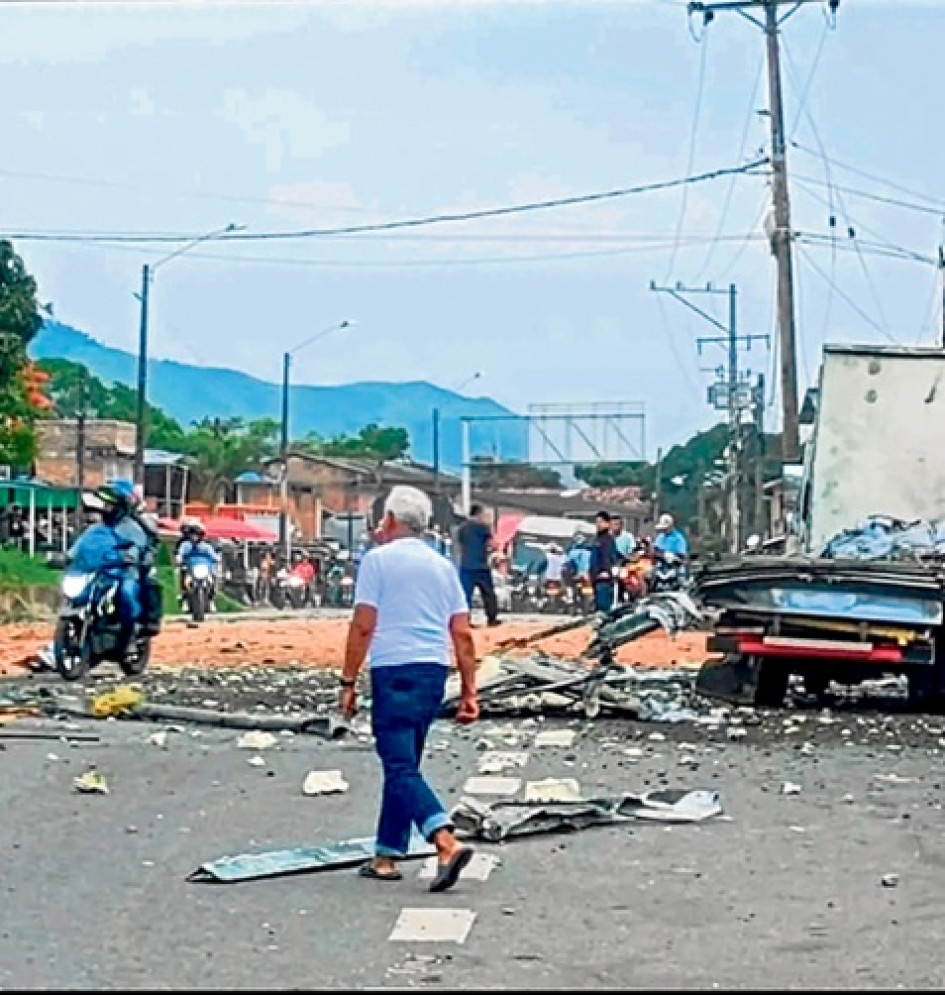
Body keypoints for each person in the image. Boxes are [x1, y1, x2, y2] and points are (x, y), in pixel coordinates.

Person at [340, 485, 479, 892]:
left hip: (393, 670)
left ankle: (444, 839)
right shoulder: (442, 567)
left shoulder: (377, 561)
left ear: (389, 521)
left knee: (398, 765)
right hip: (432, 673)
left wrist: (347, 680)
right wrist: (470, 690)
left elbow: (363, 624)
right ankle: (387, 853)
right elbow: (463, 634)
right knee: (404, 764)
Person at [456, 504, 500, 627]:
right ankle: (492, 619)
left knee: (465, 595)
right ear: (479, 514)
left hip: (465, 566)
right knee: (488, 594)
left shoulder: (462, 528)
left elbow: (460, 543)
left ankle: (465, 621)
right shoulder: (483, 527)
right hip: (481, 566)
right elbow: (492, 544)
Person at [176, 521, 220, 606]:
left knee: (214, 575)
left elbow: (213, 555)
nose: (194, 537)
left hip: (205, 568)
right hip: (190, 569)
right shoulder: (185, 545)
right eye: (192, 535)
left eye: (196, 535)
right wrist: (179, 558)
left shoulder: (207, 546)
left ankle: (212, 598)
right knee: (182, 574)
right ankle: (184, 596)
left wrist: (217, 558)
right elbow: (180, 553)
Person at [589, 511, 618, 613]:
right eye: (597, 522)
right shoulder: (597, 538)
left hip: (603, 578)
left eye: (601, 522)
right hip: (595, 578)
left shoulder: (608, 539)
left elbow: (609, 557)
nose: (598, 524)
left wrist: (606, 571)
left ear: (607, 523)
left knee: (603, 607)